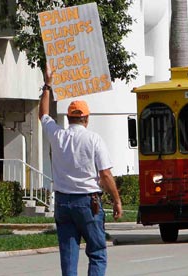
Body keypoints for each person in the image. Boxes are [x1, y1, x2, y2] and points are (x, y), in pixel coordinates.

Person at [39, 65, 123, 276]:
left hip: (63, 201)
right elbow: (105, 174)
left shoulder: (57, 135)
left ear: (68, 118)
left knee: (68, 254)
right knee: (96, 251)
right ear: (86, 118)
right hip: (88, 202)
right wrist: (117, 200)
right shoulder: (94, 139)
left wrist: (48, 85)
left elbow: (43, 114)